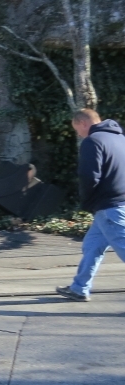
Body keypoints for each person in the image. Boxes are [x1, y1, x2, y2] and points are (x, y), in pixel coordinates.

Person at [57, 109, 125, 301]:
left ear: (82, 123)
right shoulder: (120, 139)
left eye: (76, 129)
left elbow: (88, 176)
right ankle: (79, 288)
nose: (78, 134)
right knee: (92, 246)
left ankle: (80, 288)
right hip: (118, 203)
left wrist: (86, 201)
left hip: (109, 206)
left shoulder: (92, 141)